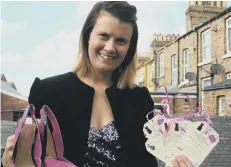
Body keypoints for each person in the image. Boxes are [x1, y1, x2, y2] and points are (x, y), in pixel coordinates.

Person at [2, 1, 194, 167]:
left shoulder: (139, 99)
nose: (110, 47)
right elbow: (26, 158)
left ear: (129, 48)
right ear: (88, 36)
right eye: (104, 36)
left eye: (121, 40)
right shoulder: (47, 92)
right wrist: (7, 161)